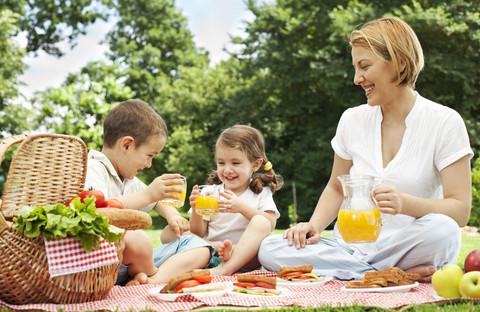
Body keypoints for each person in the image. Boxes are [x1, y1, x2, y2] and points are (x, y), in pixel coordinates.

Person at [258, 17, 473, 282]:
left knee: (444, 231)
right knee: (270, 248)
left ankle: (356, 270)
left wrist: (405, 203)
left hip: (411, 244)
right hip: (348, 245)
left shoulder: (444, 122)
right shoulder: (352, 119)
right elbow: (336, 187)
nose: (356, 78)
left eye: (364, 67)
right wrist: (313, 226)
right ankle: (382, 274)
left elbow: (460, 210)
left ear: (399, 63)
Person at [85, 99, 212, 285]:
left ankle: (148, 280)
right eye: (149, 156)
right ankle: (151, 276)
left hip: (131, 265)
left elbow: (157, 202)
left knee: (200, 247)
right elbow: (97, 209)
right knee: (138, 240)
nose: (149, 164)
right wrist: (148, 195)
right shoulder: (93, 168)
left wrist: (173, 215)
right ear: (127, 145)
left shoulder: (127, 179)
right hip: (102, 264)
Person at [164, 125, 282, 275]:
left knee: (260, 221)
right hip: (210, 252)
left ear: (255, 164)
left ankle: (226, 266)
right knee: (169, 232)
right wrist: (196, 210)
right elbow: (198, 232)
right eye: (221, 163)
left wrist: (242, 208)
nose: (227, 170)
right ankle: (209, 256)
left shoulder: (260, 193)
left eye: (235, 163)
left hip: (245, 257)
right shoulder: (209, 192)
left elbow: (269, 224)